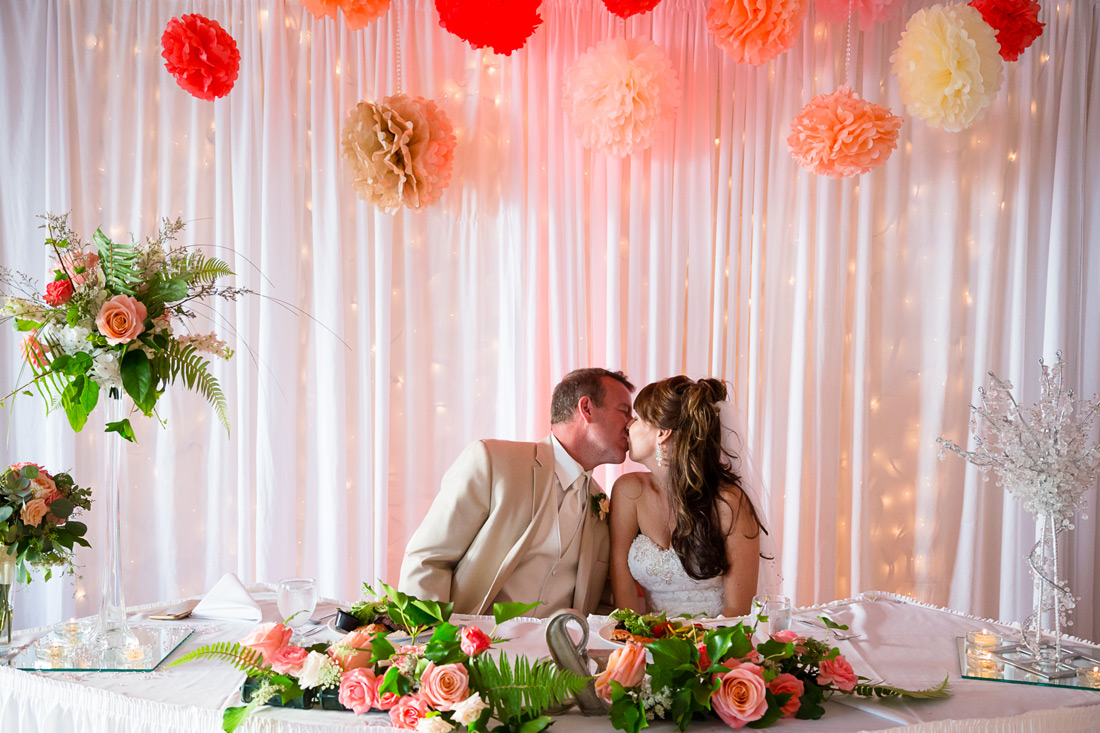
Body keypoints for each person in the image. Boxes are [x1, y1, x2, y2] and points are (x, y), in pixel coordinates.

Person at [399, 368, 635, 617]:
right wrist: (430, 642)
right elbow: (428, 559)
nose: (631, 424)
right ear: (586, 408)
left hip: (556, 654)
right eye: (624, 411)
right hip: (469, 647)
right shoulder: (493, 462)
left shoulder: (604, 506)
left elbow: (600, 605)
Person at [609, 376, 774, 618]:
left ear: (662, 433)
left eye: (638, 419)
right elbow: (623, 589)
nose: (628, 425)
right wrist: (638, 644)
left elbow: (738, 610)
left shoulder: (728, 503)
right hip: (647, 644)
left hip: (715, 643)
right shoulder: (628, 491)